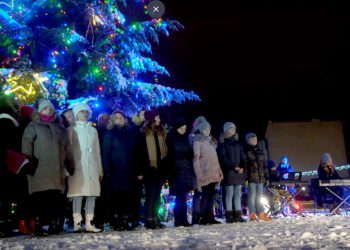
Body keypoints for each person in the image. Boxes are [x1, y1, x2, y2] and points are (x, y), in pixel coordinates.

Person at [22, 100, 66, 236]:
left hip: (56, 169)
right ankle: (39, 224)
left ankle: (53, 224)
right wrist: (28, 163)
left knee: (54, 197)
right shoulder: (33, 126)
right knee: (40, 198)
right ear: (40, 111)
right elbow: (27, 145)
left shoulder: (60, 127)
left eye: (51, 109)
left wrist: (67, 164)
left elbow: (66, 147)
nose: (48, 111)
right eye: (45, 109)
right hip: (39, 168)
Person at [65, 103, 103, 233]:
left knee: (92, 194)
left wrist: (99, 169)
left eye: (87, 112)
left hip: (91, 165)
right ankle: (77, 222)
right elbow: (67, 150)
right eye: (82, 112)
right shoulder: (71, 129)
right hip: (77, 166)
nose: (85, 114)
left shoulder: (93, 130)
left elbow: (97, 151)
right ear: (76, 114)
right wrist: (67, 168)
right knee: (78, 194)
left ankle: (89, 222)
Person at [102, 110, 139, 231]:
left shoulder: (130, 133)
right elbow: (105, 153)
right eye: (117, 117)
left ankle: (124, 218)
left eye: (121, 117)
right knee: (116, 197)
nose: (119, 119)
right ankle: (116, 220)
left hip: (129, 170)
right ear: (113, 120)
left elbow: (135, 152)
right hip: (115, 170)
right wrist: (107, 170)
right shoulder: (110, 134)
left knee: (127, 197)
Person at [136, 110, 168, 229]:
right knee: (150, 195)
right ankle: (148, 219)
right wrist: (140, 170)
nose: (159, 120)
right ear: (151, 119)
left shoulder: (160, 133)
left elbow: (164, 153)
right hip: (149, 168)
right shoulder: (144, 133)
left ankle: (155, 218)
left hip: (160, 169)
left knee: (157, 195)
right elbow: (139, 154)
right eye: (157, 117)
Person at [193, 120, 223, 225]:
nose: (208, 131)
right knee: (205, 196)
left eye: (209, 129)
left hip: (213, 173)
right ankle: (203, 217)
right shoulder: (197, 142)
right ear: (201, 130)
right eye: (206, 129)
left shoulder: (211, 143)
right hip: (205, 174)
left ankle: (210, 216)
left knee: (211, 196)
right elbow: (196, 160)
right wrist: (199, 175)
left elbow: (215, 159)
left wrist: (220, 172)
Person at [166, 118, 195, 227]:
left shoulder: (185, 139)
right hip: (176, 171)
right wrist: (171, 171)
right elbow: (169, 155)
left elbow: (189, 153)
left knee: (184, 197)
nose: (183, 131)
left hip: (186, 170)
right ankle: (178, 219)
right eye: (181, 129)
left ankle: (184, 219)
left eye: (185, 129)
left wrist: (190, 155)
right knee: (179, 197)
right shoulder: (171, 138)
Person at [218, 122, 245, 223]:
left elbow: (243, 156)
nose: (233, 130)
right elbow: (223, 157)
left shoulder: (238, 143)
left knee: (238, 193)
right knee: (229, 193)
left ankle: (238, 214)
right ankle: (229, 214)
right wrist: (233, 167)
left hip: (238, 172)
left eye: (234, 128)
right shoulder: (223, 143)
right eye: (230, 128)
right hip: (229, 171)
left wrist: (242, 166)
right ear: (225, 130)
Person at [243, 132, 271, 222]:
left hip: (260, 178)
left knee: (260, 197)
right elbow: (245, 166)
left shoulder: (260, 152)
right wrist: (246, 178)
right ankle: (252, 214)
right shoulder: (246, 151)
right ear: (248, 141)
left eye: (255, 139)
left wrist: (266, 177)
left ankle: (261, 214)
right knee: (251, 197)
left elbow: (265, 165)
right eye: (252, 139)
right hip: (251, 178)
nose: (254, 140)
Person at [188, 116, 207, 224]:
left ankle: (204, 214)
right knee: (198, 192)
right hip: (196, 167)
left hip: (206, 167)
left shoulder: (206, 136)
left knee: (204, 192)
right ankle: (196, 215)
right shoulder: (193, 136)